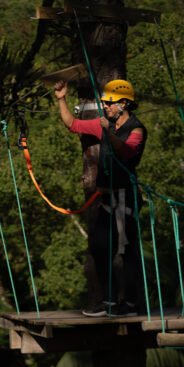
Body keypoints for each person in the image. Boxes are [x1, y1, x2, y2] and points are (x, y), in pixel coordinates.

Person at [54, 79, 147, 317]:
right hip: (108, 199)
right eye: (105, 102)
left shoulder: (136, 129)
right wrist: (61, 99)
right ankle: (108, 301)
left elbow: (125, 151)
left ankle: (130, 304)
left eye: (110, 103)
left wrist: (106, 129)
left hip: (125, 196)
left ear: (124, 104)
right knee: (99, 246)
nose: (105, 106)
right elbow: (73, 124)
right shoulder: (107, 124)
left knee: (125, 250)